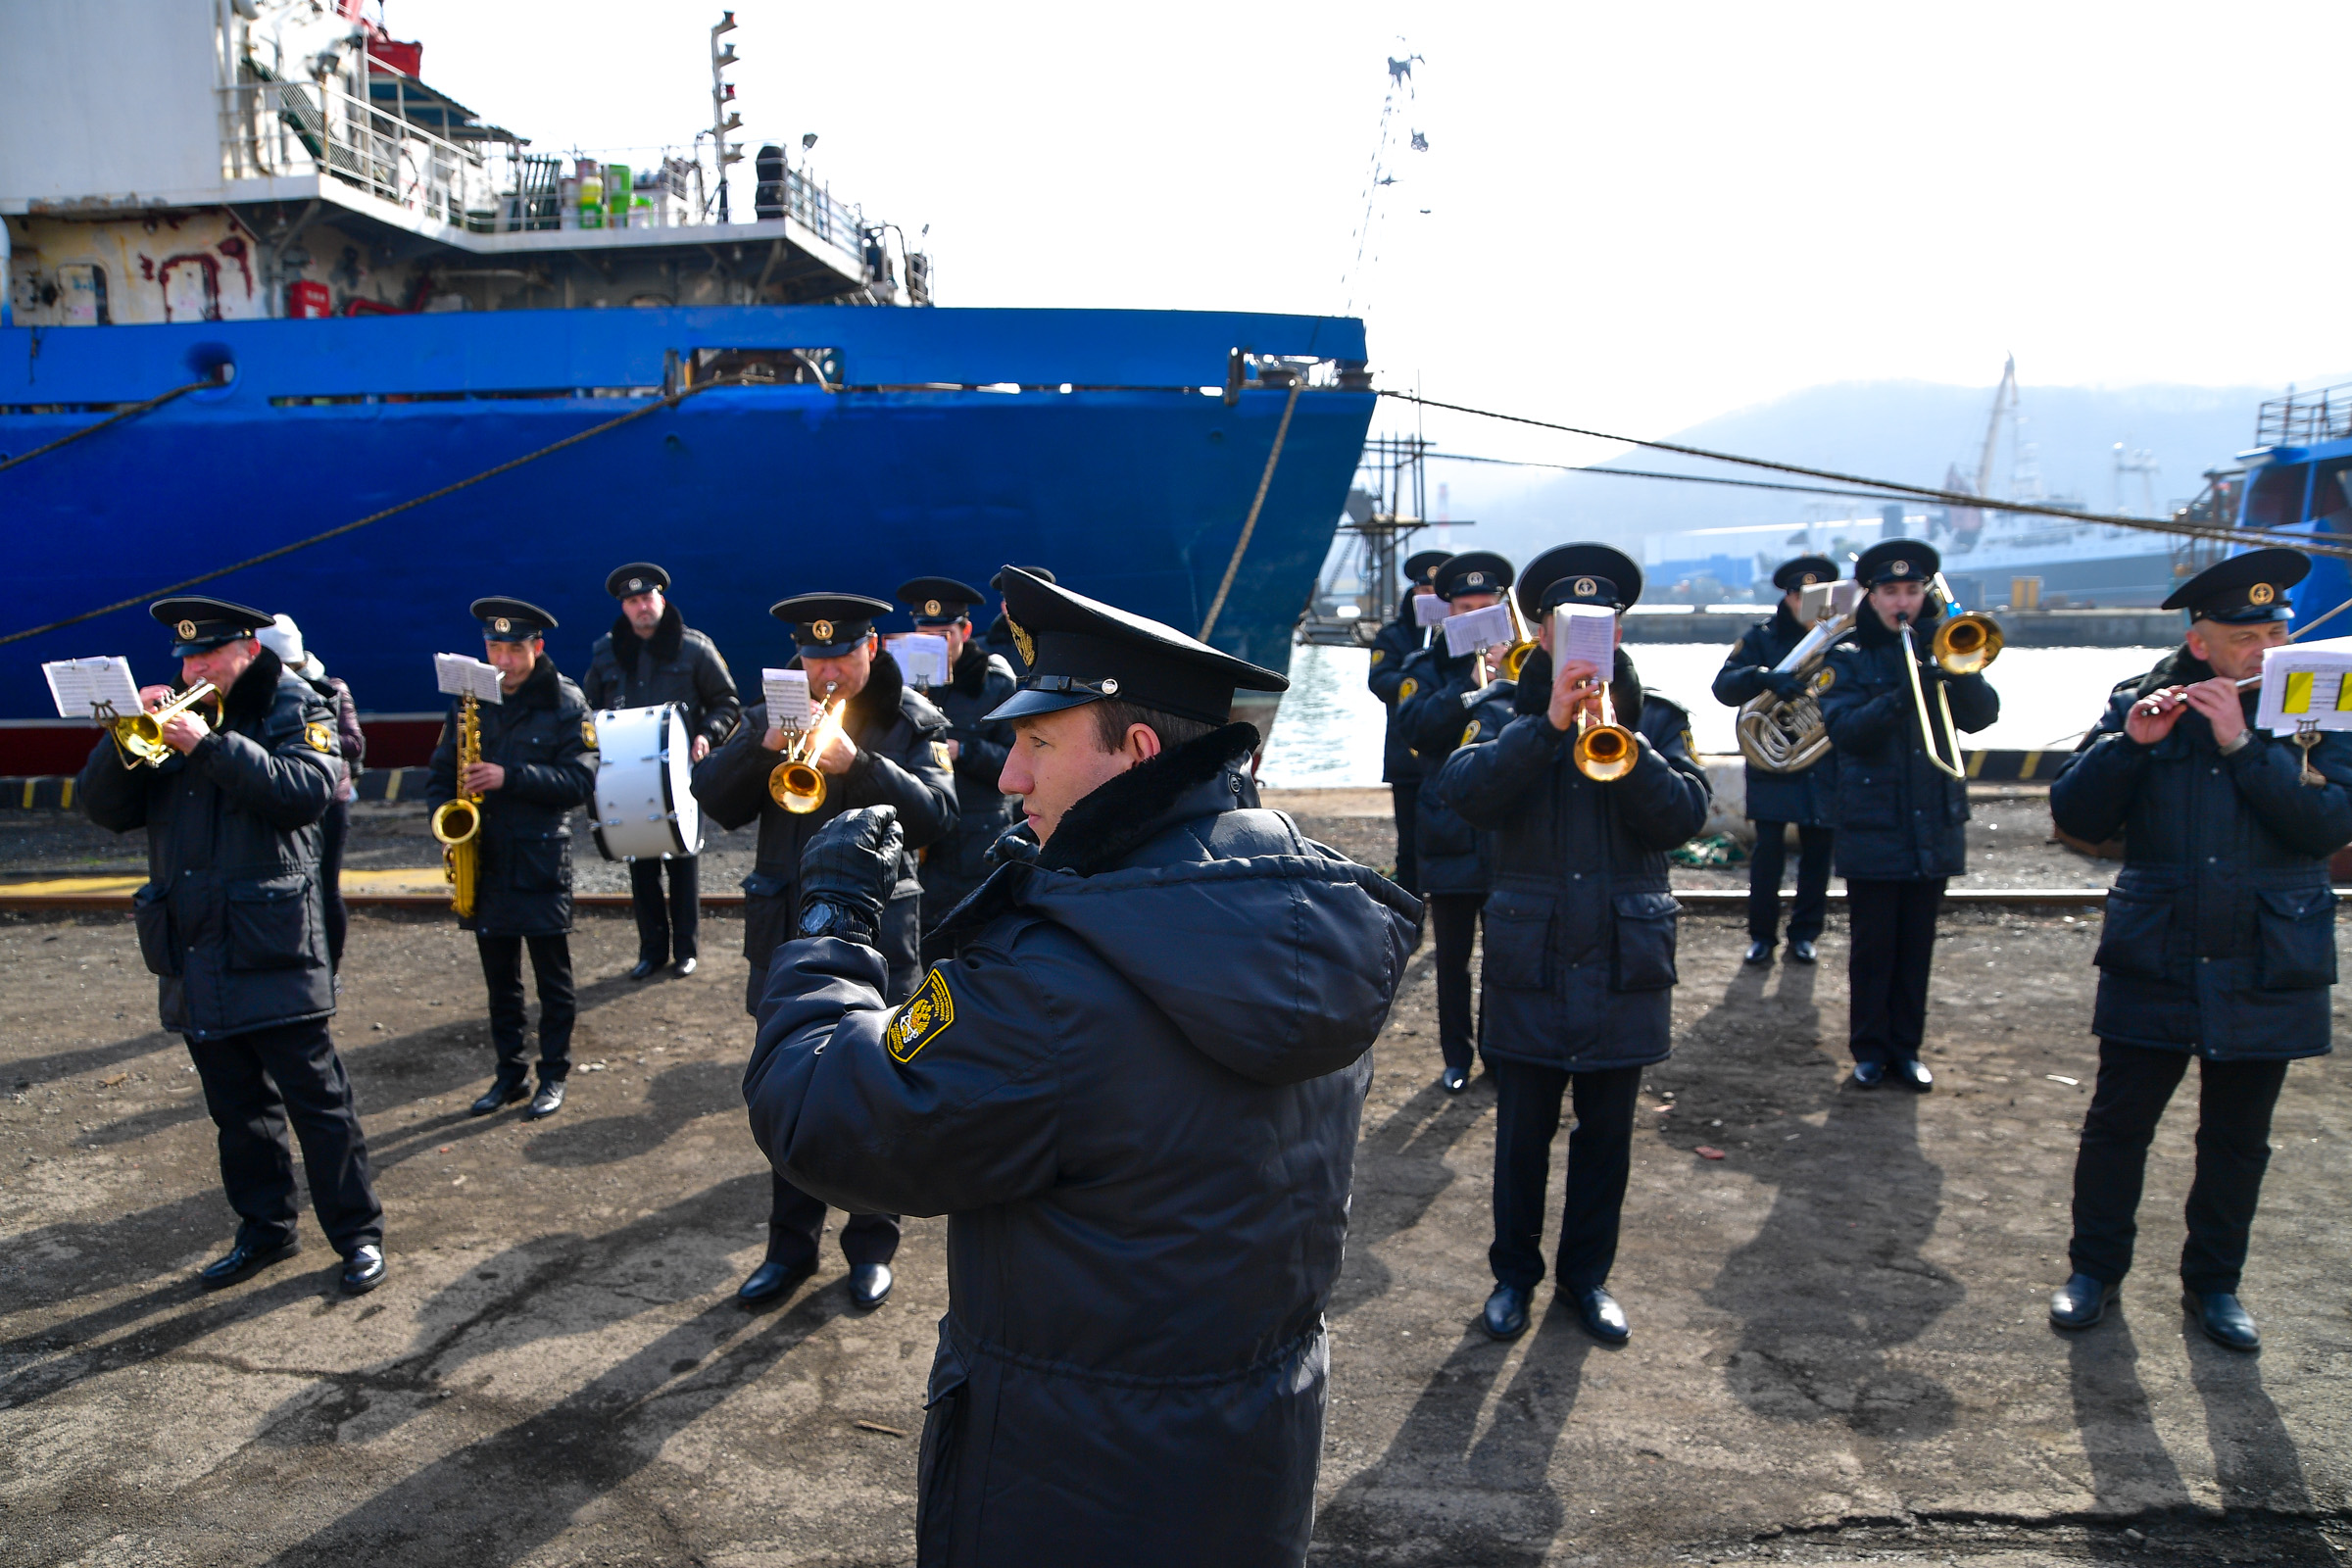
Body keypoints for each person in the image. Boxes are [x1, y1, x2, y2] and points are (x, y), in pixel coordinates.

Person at [742, 566, 1417, 1567]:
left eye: (1039, 742)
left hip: (1066, 1481)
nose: (1008, 777)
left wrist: (835, 926)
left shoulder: (1055, 984)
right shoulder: (1303, 917)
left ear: (1136, 751)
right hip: (1250, 1459)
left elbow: (821, 1114)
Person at [2046, 548, 2349, 1351]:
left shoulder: (2322, 707)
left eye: (2276, 629)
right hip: (2160, 947)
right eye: (2245, 636)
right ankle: (2093, 1271)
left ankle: (2215, 1286)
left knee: (2238, 1138)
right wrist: (2131, 745)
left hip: (2268, 953)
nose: (2266, 647)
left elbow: (2325, 826)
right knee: (2117, 1125)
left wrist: (2242, 745)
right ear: (2202, 641)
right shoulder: (2143, 699)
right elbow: (2075, 815)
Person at [1435, 545, 1710, 1347]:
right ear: (1546, 633)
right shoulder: (1498, 712)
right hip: (1534, 962)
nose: (1588, 635)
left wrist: (1624, 741)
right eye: (1568, 621)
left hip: (1625, 965)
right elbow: (1465, 796)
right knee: (1520, 1139)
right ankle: (1513, 1278)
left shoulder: (1657, 716)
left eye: (1603, 620)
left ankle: (1586, 1281)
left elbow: (1684, 818)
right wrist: (1548, 724)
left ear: (1619, 627)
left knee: (1607, 1142)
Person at [78, 596, 385, 1295]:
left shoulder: (297, 703)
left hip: (272, 941)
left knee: (318, 1102)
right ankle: (266, 1230)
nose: (191, 668)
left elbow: (306, 792)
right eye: (184, 658)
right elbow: (103, 810)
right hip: (195, 943)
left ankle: (358, 1235)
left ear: (246, 649)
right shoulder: (173, 718)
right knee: (237, 1108)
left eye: (205, 656)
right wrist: (123, 735)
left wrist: (208, 745)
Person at [691, 592, 957, 1311]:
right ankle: (789, 1248)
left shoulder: (914, 721)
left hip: (882, 942)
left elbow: (941, 815)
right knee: (788, 1095)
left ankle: (871, 1247)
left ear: (872, 649)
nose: (828, 672)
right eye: (814, 658)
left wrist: (860, 764)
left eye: (841, 655)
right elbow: (712, 800)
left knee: (881, 1097)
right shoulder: (770, 712)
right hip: (788, 934)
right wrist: (758, 747)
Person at [1815, 542, 1998, 1092]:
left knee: (1917, 946)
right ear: (1870, 596)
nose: (1903, 601)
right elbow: (1847, 730)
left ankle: (1907, 1050)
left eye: (1912, 591)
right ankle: (1870, 1051)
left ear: (1925, 594)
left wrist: (1956, 671)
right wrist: (1904, 688)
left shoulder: (1945, 647)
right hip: (1872, 823)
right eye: (1891, 591)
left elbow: (1983, 717)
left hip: (1932, 820)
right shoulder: (1845, 656)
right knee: (1874, 949)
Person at [426, 598, 598, 1122]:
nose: (502, 659)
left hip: (541, 859)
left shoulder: (567, 701)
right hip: (486, 858)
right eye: (494, 647)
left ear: (536, 648)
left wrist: (510, 776)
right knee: (500, 982)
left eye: (514, 648)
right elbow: (440, 774)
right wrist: (445, 816)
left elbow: (582, 781)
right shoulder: (469, 701)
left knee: (553, 981)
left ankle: (554, 1074)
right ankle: (509, 1075)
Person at [580, 562, 743, 981]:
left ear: (661, 600)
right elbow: (587, 715)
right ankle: (651, 950)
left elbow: (727, 702)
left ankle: (685, 950)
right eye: (632, 601)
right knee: (642, 864)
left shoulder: (694, 649)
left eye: (647, 598)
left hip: (681, 774)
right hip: (628, 775)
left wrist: (707, 736)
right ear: (624, 608)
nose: (641, 607)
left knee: (683, 859)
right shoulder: (605, 653)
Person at [1395, 550, 1515, 1091]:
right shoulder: (1423, 670)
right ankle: (1456, 1058)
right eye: (1462, 607)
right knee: (1453, 961)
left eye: (1483, 606)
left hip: (1508, 833)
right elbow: (1416, 731)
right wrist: (1468, 684)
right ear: (1447, 613)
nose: (1473, 615)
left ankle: (1498, 1053)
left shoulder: (1527, 667)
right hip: (1447, 829)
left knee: (1507, 958)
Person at [1713, 556, 1842, 966]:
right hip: (1773, 760)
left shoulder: (1843, 637)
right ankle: (1762, 937)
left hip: (1821, 758)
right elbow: (1723, 686)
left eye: (1817, 596)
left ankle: (1805, 935)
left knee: (1819, 850)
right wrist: (1762, 676)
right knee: (1767, 852)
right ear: (1786, 597)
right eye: (1799, 595)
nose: (1807, 603)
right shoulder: (1762, 637)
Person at [896, 574, 1020, 963]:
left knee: (981, 958)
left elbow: (1015, 766)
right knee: (925, 962)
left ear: (965, 631)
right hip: (924, 849)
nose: (933, 645)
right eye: (924, 635)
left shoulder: (994, 683)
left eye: (943, 635)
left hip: (978, 848)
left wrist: (963, 750)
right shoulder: (900, 689)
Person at [257, 612, 365, 975]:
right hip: (284, 795)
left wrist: (314, 736)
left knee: (326, 888)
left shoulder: (330, 688)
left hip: (330, 800)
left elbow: (354, 742)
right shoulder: (259, 694)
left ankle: (330, 970)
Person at [1368, 548, 1450, 898]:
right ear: (1413, 593)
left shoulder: (1459, 632)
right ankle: (1411, 908)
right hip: (1407, 753)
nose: (1428, 596)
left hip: (1451, 750)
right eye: (1423, 590)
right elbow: (1378, 680)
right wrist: (1415, 678)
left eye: (1436, 591)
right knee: (1410, 837)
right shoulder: (1394, 635)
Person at [979, 564, 1054, 676]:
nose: (1023, 609)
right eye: (1014, 602)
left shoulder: (1065, 644)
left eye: (1030, 602)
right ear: (1003, 606)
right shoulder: (981, 653)